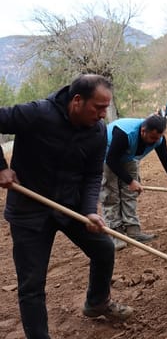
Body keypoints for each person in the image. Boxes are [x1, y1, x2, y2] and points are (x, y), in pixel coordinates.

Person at [0, 74, 133, 338]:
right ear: (77, 101)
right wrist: (1, 168)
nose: (103, 114)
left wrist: (90, 211)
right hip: (29, 210)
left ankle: (96, 303)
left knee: (104, 249)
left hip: (70, 206)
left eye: (106, 108)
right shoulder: (38, 114)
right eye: (98, 107)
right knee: (32, 284)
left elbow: (93, 174)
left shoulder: (98, 131)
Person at [100, 115, 167, 250]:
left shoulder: (158, 139)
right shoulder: (125, 133)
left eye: (158, 138)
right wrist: (130, 181)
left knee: (130, 194)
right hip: (107, 156)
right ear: (143, 131)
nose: (155, 141)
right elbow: (112, 160)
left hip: (129, 156)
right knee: (111, 195)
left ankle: (133, 231)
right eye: (153, 138)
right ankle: (116, 235)